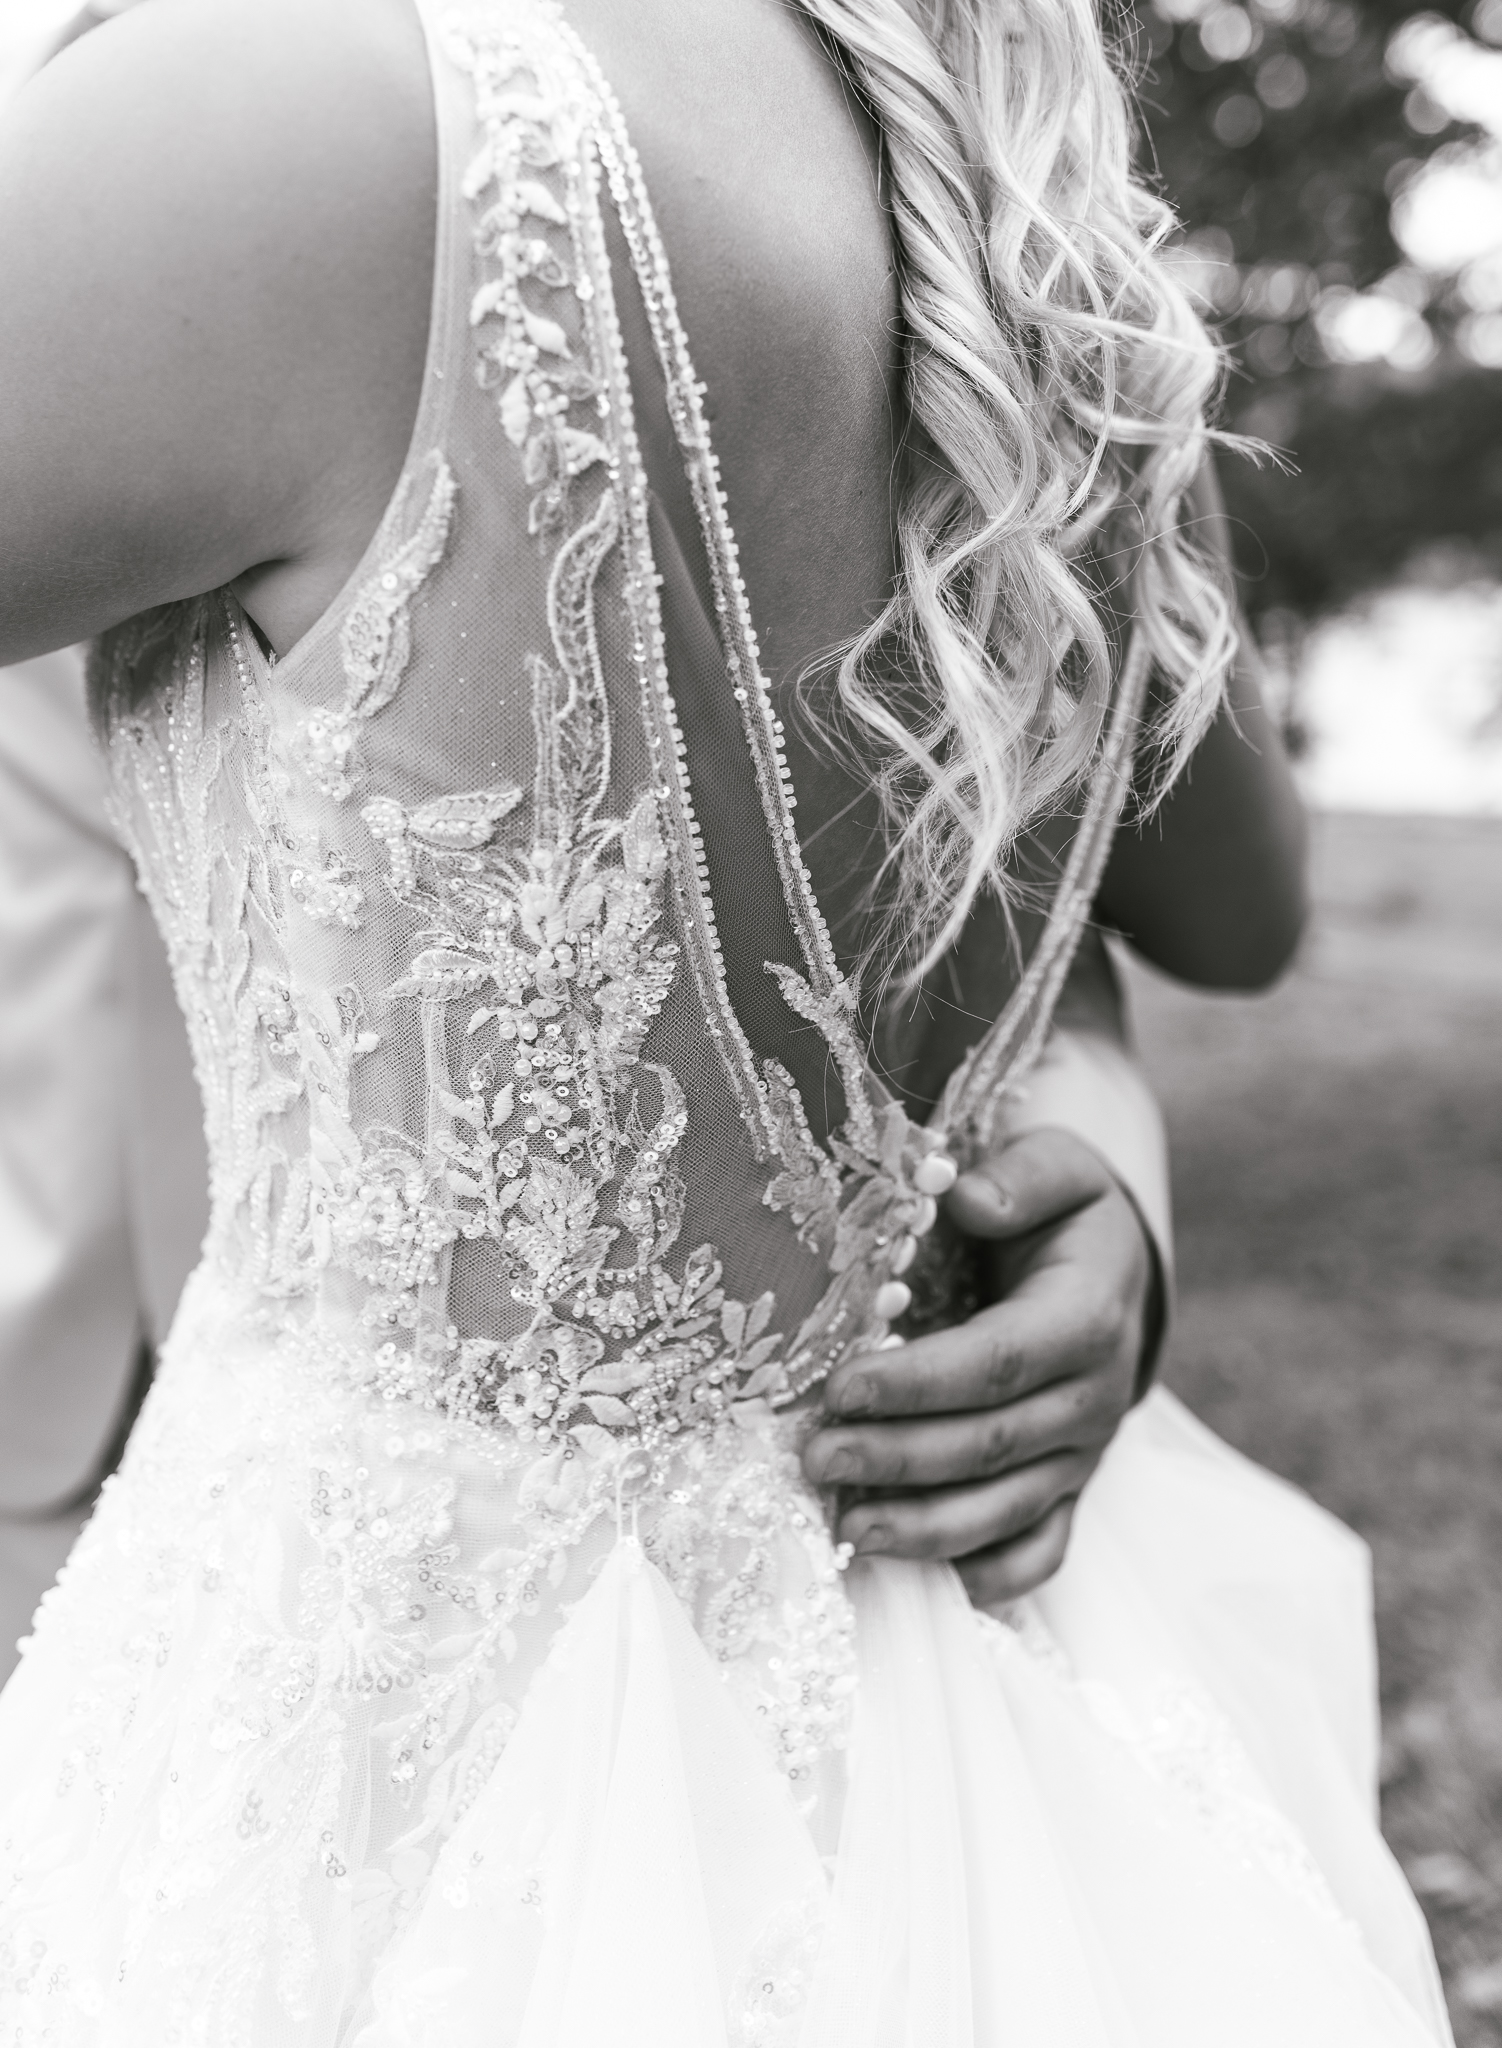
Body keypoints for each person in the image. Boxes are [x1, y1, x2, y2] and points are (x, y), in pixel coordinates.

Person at [0, 2, 1448, 2043]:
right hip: (952, 1742)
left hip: (388, 1742)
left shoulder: (293, 107)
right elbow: (1205, 892)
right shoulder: (1015, 203)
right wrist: (1092, 1125)